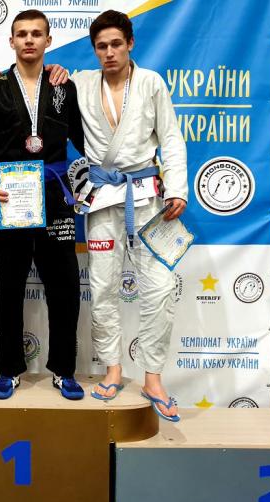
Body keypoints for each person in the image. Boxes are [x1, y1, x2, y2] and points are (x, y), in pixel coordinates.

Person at [72, 10, 187, 421]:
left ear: (130, 43)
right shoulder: (81, 83)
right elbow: (37, 84)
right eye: (101, 46)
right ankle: (113, 369)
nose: (109, 52)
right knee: (103, 286)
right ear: (94, 50)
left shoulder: (151, 82)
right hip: (103, 199)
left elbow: (170, 137)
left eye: (116, 44)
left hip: (148, 198)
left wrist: (178, 188)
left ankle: (153, 376)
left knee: (160, 287)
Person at [0, 10, 86, 400]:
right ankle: (8, 369)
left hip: (54, 197)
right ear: (11, 41)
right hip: (11, 199)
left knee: (65, 286)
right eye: (21, 34)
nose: (29, 40)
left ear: (48, 40)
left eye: (36, 34)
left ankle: (64, 370)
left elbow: (85, 140)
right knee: (9, 286)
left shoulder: (63, 86)